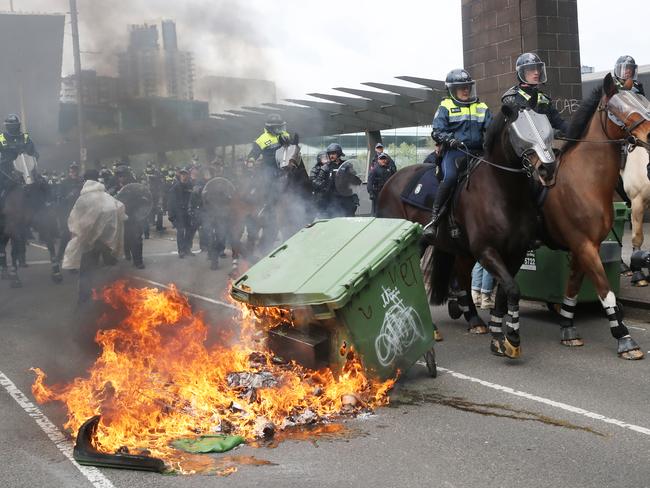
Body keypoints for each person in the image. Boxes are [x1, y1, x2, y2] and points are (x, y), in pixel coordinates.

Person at [428, 69, 492, 228]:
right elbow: (436, 131)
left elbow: (491, 129)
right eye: (461, 87)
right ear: (452, 89)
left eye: (468, 86)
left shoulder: (481, 106)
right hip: (456, 151)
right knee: (450, 178)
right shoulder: (446, 106)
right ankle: (435, 217)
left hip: (479, 152)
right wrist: (450, 140)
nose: (466, 90)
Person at [63, 170, 126, 303]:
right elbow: (121, 209)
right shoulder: (106, 196)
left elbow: (75, 219)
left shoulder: (83, 199)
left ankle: (84, 299)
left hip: (89, 242)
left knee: (87, 271)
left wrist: (75, 236)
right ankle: (114, 298)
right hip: (108, 241)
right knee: (110, 270)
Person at [501, 53, 568, 134]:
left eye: (538, 69)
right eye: (532, 69)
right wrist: (552, 132)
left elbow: (559, 122)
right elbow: (518, 128)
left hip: (545, 144)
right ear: (522, 72)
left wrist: (576, 129)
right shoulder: (511, 98)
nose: (536, 72)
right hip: (521, 145)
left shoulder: (543, 98)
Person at [310, 143, 359, 217]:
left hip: (346, 197)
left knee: (349, 218)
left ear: (339, 154)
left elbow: (355, 180)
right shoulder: (325, 167)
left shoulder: (347, 165)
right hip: (332, 198)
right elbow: (318, 182)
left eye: (333, 153)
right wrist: (326, 185)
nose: (331, 156)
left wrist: (350, 177)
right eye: (330, 154)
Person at [0, 114, 39, 197]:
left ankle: (48, 202)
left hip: (25, 169)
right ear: (7, 126)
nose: (14, 127)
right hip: (6, 169)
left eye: (15, 125)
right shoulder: (1, 137)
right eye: (11, 126)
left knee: (42, 182)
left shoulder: (25, 137)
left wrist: (32, 154)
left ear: (19, 125)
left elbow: (34, 152)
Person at [55, 162, 84, 266]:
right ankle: (60, 256)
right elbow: (59, 198)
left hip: (80, 212)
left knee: (80, 237)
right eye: (72, 170)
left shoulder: (82, 182)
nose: (74, 172)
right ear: (69, 171)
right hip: (68, 212)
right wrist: (68, 196)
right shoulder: (64, 183)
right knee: (66, 236)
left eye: (75, 170)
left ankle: (79, 260)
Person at [167, 168, 194, 258]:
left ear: (188, 175)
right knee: (181, 231)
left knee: (189, 231)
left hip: (188, 212)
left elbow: (195, 198)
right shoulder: (175, 187)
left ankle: (188, 249)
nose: (183, 176)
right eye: (182, 174)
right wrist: (171, 215)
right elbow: (170, 202)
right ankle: (181, 250)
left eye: (185, 174)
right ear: (179, 175)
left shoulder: (191, 185)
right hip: (179, 213)